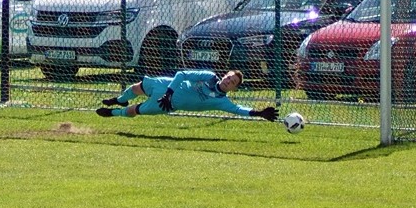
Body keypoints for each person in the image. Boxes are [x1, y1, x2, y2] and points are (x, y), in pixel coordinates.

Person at [95, 69, 279, 121]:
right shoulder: (209, 76)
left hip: (167, 104)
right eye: (229, 77)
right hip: (167, 86)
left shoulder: (221, 101)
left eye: (232, 82)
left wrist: (259, 113)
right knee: (137, 88)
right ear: (224, 75)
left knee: (135, 110)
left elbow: (239, 110)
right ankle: (119, 100)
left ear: (234, 89)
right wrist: (168, 92)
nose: (228, 81)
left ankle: (112, 113)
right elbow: (181, 74)